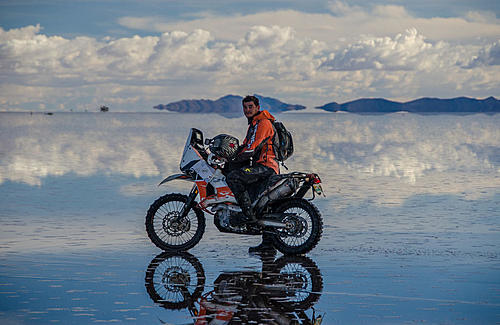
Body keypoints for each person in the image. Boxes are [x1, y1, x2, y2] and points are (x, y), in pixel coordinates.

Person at [225, 95, 279, 253]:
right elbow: (245, 146)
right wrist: (228, 156)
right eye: (245, 107)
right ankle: (268, 245)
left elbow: (250, 149)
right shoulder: (254, 124)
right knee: (264, 205)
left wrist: (233, 158)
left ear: (257, 107)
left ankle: (248, 216)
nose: (247, 110)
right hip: (263, 165)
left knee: (233, 177)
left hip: (266, 166)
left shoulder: (263, 123)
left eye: (250, 107)